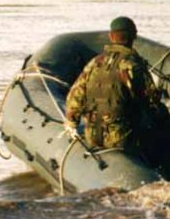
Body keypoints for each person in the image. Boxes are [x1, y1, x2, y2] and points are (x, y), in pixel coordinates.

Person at [64, 16, 161, 154]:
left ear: (111, 36)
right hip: (121, 138)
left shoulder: (94, 63)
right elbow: (152, 103)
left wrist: (72, 123)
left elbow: (74, 98)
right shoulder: (133, 66)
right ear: (134, 36)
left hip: (92, 136)